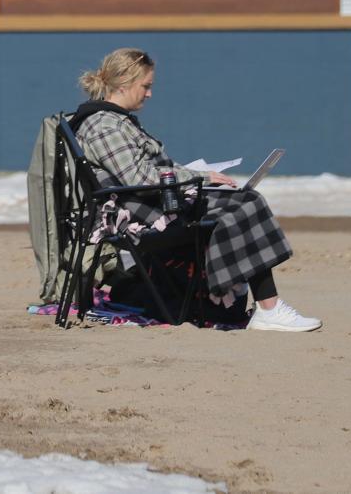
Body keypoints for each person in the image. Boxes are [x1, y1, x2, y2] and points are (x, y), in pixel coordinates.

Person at [73, 47, 321, 332]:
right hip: (141, 218)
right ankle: (268, 308)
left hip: (152, 205)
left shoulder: (114, 121)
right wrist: (200, 177)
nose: (150, 93)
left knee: (243, 201)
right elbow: (139, 180)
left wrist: (201, 176)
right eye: (146, 86)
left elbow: (146, 176)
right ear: (124, 83)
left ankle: (263, 306)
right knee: (246, 203)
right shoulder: (104, 125)